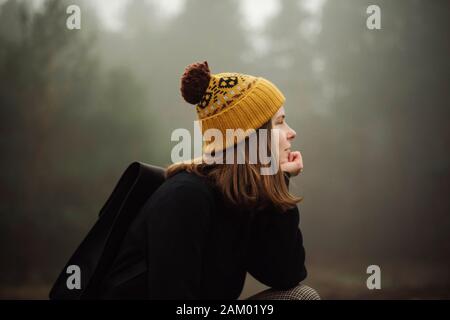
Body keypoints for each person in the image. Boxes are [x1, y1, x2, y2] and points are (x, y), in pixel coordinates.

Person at [98, 61, 317, 300]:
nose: (291, 132)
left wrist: (277, 180)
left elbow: (286, 275)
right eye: (279, 122)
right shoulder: (185, 197)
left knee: (300, 296)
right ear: (250, 137)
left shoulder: (240, 195)